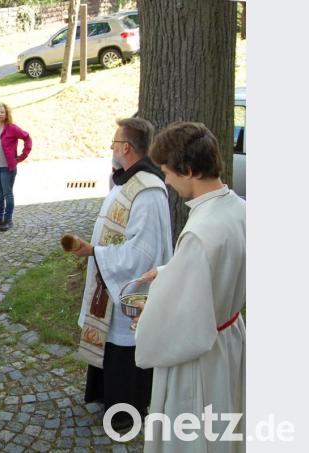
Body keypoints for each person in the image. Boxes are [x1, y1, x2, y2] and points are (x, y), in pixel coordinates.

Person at [135, 122, 245, 452]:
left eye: (168, 172)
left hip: (201, 355)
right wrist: (171, 272)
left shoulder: (201, 231)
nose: (166, 181)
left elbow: (176, 322)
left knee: (197, 435)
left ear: (189, 170)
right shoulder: (239, 209)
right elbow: (225, 261)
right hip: (230, 339)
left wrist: (148, 313)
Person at [64, 117, 172, 432]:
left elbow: (143, 252)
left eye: (114, 143)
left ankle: (128, 410)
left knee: (126, 343)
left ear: (125, 147)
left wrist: (96, 253)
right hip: (110, 278)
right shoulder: (127, 180)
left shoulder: (149, 191)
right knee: (112, 341)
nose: (111, 148)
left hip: (130, 283)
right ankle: (104, 393)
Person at [0, 103, 32, 232]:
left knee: (7, 194)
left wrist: (22, 156)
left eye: (2, 112)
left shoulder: (12, 128)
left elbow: (27, 138)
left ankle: (8, 220)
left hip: (7, 167)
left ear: (6, 114)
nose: (0, 114)